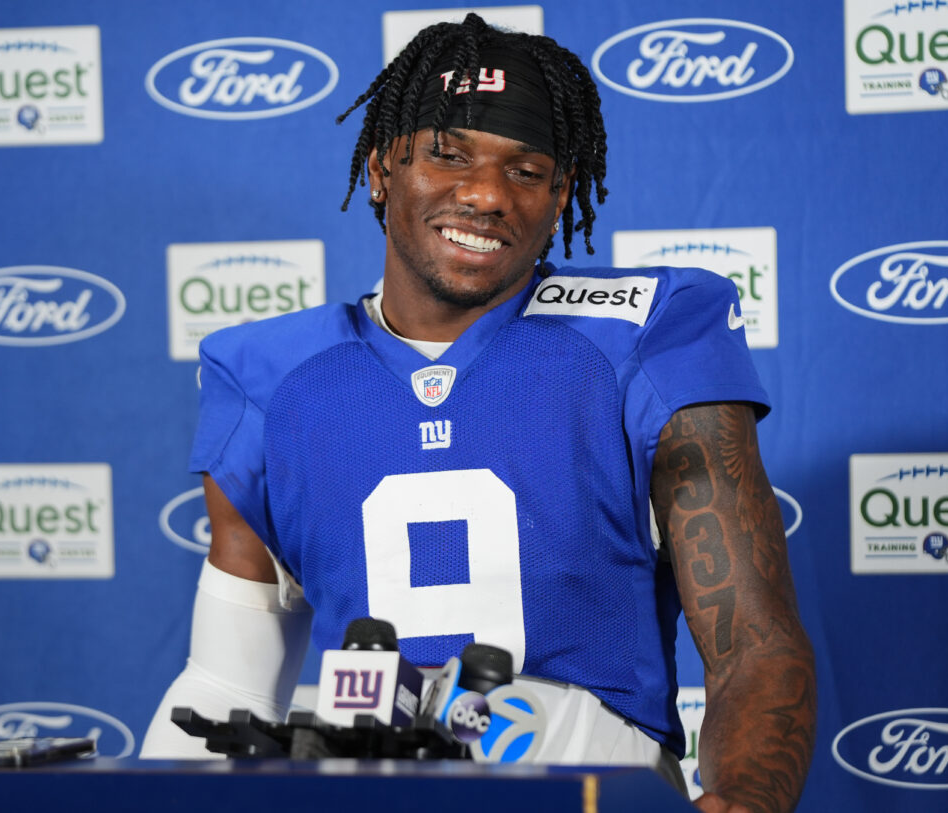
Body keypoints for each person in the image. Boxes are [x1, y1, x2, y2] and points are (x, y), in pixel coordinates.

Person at [142, 13, 816, 813]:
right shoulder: (272, 378)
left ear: (563, 193)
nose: (488, 194)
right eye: (448, 154)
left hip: (591, 789)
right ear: (381, 168)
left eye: (527, 170)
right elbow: (228, 678)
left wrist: (743, 798)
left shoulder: (640, 337)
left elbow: (753, 642)